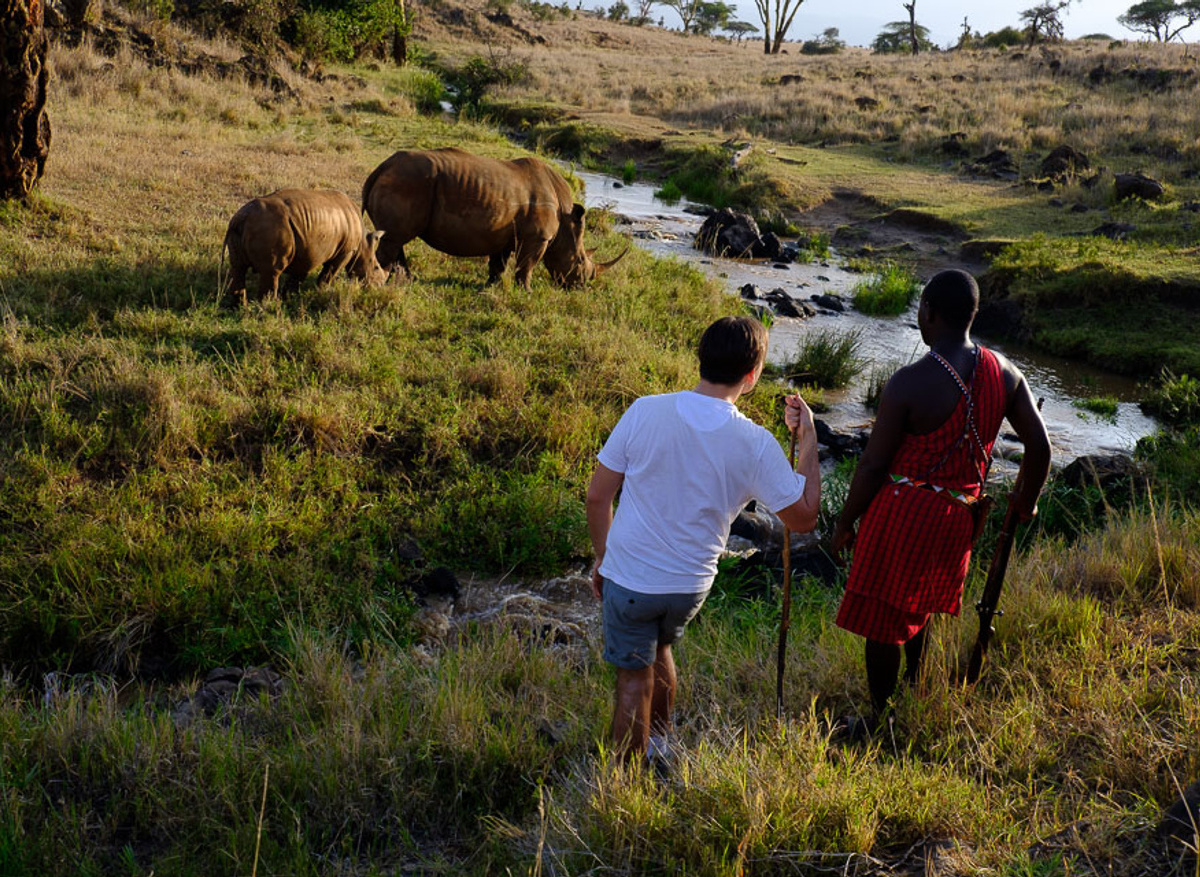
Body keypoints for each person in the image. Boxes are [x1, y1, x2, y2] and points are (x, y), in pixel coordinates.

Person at [586, 315, 821, 766]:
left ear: (700, 359)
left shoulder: (645, 410)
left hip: (631, 579)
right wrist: (806, 438)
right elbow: (805, 517)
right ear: (751, 377)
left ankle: (622, 782)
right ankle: (660, 744)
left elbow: (598, 496)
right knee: (661, 648)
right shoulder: (754, 443)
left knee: (633, 680)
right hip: (690, 586)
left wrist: (603, 557)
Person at [831, 269, 1051, 732]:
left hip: (903, 513)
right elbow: (1041, 445)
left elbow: (872, 466)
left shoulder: (909, 382)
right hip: (958, 517)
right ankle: (915, 690)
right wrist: (1025, 501)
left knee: (882, 621)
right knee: (919, 606)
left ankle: (880, 720)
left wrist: (845, 521)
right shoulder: (1006, 372)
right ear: (971, 315)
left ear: (927, 311)